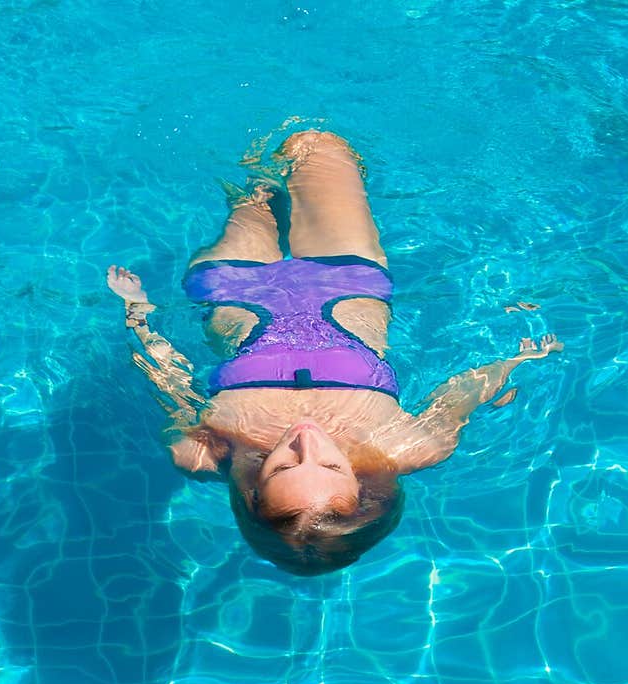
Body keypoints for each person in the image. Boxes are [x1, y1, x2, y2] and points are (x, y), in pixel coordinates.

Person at [107, 129, 562, 575]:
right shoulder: (410, 446)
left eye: (281, 465)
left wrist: (137, 312)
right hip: (345, 277)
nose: (306, 439)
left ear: (251, 492)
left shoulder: (203, 451)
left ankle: (257, 189)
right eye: (329, 464)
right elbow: (464, 391)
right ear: (364, 487)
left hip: (234, 284)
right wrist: (516, 364)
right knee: (314, 143)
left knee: (252, 193)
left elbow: (165, 375)